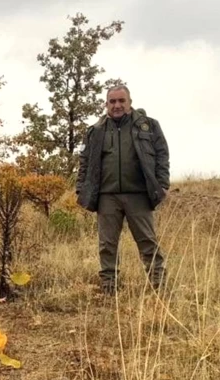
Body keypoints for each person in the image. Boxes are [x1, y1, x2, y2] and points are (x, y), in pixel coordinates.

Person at [76, 85, 170, 295]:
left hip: (139, 195)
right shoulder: (95, 131)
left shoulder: (149, 126)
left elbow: (162, 155)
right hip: (106, 196)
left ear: (129, 102)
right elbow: (85, 161)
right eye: (112, 102)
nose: (117, 105)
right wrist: (80, 188)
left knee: (147, 242)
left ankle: (159, 288)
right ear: (106, 104)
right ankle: (109, 289)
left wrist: (163, 184)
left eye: (121, 101)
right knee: (107, 245)